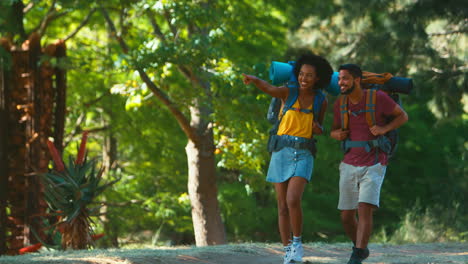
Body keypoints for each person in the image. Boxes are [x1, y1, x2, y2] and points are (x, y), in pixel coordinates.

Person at [242, 53, 333, 264]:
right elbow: (270, 89)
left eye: (309, 75)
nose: (304, 78)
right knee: (282, 206)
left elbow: (319, 127)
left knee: (293, 199)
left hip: (304, 152)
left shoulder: (321, 100)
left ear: (317, 78)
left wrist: (317, 128)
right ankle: (287, 251)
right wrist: (255, 80)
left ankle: (298, 243)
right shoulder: (288, 91)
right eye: (301, 74)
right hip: (281, 150)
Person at [330, 64, 408, 264]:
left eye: (345, 78)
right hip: (348, 162)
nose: (341, 83)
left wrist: (384, 129)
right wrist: (336, 134)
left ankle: (357, 254)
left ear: (357, 80)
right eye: (339, 79)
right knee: (346, 217)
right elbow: (333, 130)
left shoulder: (378, 98)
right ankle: (361, 248)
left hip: (375, 161)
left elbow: (403, 116)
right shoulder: (340, 103)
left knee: (364, 208)